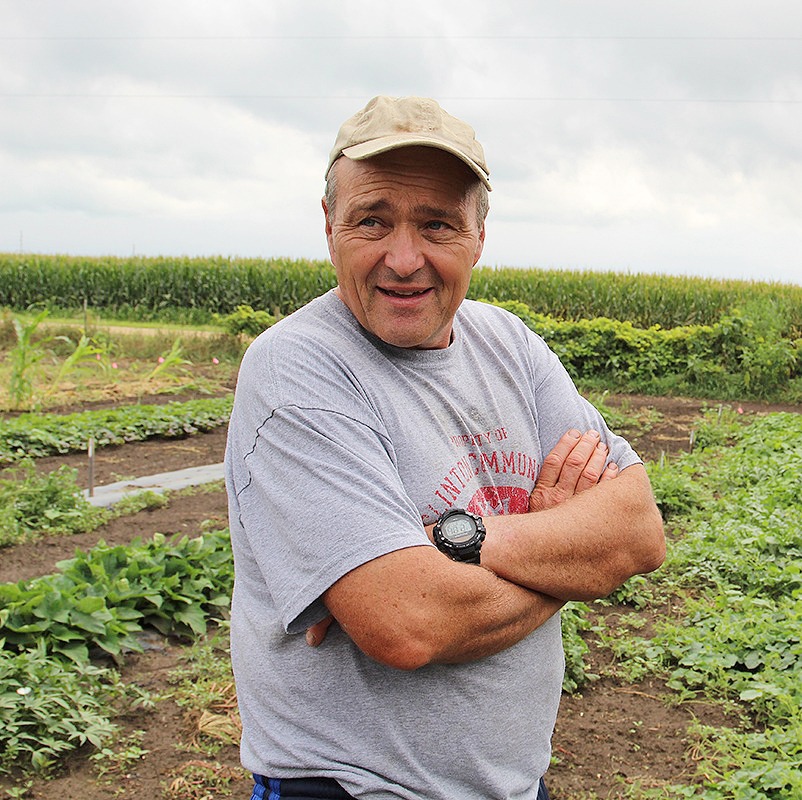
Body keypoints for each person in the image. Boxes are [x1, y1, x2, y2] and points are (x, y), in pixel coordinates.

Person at [224, 95, 665, 800]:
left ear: (479, 236)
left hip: (516, 784)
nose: (405, 258)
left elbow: (638, 532)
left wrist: (450, 543)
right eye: (373, 220)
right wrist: (569, 555)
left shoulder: (510, 345)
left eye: (438, 224)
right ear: (330, 225)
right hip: (352, 787)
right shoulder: (298, 371)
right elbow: (406, 623)